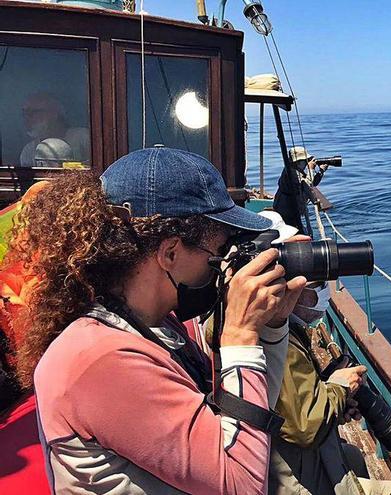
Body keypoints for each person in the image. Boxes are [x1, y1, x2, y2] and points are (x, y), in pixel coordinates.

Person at [10, 146, 307, 494]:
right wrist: (240, 335)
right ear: (170, 252)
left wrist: (271, 327)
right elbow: (241, 483)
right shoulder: (104, 359)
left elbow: (243, 426)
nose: (226, 263)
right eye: (220, 249)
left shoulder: (156, 326)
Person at [268, 267, 391, 495]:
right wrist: (341, 387)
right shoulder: (280, 346)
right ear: (290, 292)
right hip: (289, 479)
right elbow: (304, 428)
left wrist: (334, 401)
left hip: (286, 456)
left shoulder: (285, 332)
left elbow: (290, 406)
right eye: (318, 286)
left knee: (352, 455)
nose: (325, 293)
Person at [18, 92, 90, 167]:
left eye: (34, 112)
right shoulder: (28, 151)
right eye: (25, 113)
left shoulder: (83, 138)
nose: (27, 118)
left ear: (54, 114)